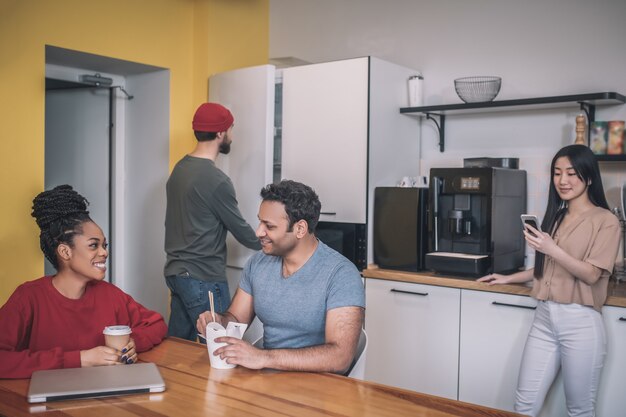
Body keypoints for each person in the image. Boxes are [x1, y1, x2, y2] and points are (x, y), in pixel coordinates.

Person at [477, 145, 621, 417]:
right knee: (523, 405)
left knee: (579, 410)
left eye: (571, 173)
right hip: (544, 319)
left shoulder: (606, 221)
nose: (562, 181)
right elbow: (548, 265)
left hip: (580, 323)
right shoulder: (557, 216)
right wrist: (508, 278)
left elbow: (591, 274)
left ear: (588, 177)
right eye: (557, 173)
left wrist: (551, 247)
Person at [197, 180, 365, 374]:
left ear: (300, 229)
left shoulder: (341, 275)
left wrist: (263, 357)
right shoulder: (257, 264)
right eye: (260, 221)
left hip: (319, 387)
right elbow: (235, 318)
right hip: (268, 380)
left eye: (269, 226)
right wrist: (217, 320)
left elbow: (340, 357)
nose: (259, 232)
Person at [0, 185, 167, 379]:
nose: (104, 252)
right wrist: (80, 359)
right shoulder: (28, 297)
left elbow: (156, 324)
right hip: (48, 403)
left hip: (105, 398)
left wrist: (133, 341)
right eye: (93, 245)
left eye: (104, 245)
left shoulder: (110, 294)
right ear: (65, 252)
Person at [164, 102, 261, 341]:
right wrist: (271, 240)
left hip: (177, 273)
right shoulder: (216, 180)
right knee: (222, 349)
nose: (232, 135)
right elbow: (241, 230)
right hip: (202, 277)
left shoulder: (180, 169)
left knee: (179, 349)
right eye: (230, 129)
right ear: (220, 133)